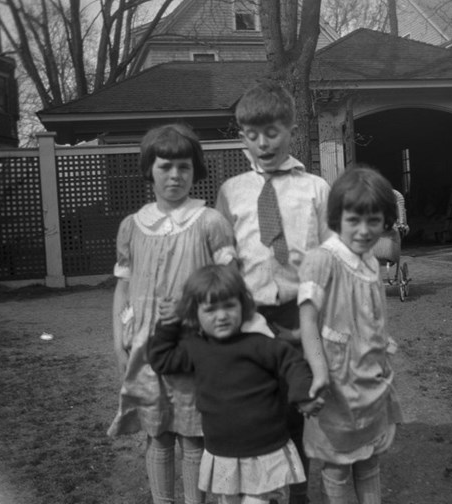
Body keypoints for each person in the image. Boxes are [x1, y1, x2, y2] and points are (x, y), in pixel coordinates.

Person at [107, 123, 237, 504]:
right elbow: (123, 288)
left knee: (193, 433)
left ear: (195, 170)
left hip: (193, 345)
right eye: (165, 167)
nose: (175, 175)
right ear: (150, 170)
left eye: (183, 167)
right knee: (157, 433)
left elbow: (230, 286)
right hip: (145, 346)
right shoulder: (133, 226)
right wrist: (119, 342)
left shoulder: (210, 222)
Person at [216, 81, 332, 504]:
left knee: (294, 409)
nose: (262, 143)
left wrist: (316, 324)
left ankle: (299, 493)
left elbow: (328, 260)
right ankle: (259, 494)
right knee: (252, 411)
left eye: (272, 133)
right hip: (249, 316)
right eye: (251, 135)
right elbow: (225, 259)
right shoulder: (231, 192)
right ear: (242, 135)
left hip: (297, 316)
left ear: (291, 130)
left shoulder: (315, 189)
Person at [147, 265, 325, 504]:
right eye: (210, 309)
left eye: (229, 306)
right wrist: (170, 323)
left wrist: (303, 395)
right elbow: (162, 359)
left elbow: (293, 363)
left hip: (265, 451)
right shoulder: (197, 347)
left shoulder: (260, 344)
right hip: (223, 454)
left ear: (243, 305)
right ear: (194, 313)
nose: (221, 316)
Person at [298, 167, 404, 504]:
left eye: (373, 221)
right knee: (337, 468)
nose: (363, 230)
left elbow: (372, 317)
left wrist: (381, 344)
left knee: (369, 462)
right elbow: (308, 320)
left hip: (370, 380)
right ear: (336, 217)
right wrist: (317, 373)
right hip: (337, 384)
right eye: (353, 220)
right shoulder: (322, 260)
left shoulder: (371, 263)